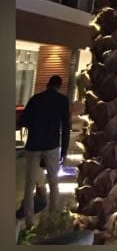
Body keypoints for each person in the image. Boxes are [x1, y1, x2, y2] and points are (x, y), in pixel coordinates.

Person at [17, 75, 71, 228]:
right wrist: (64, 150)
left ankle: (29, 221)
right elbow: (66, 126)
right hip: (52, 145)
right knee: (53, 182)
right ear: (59, 86)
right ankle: (53, 218)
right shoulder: (62, 100)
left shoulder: (36, 99)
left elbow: (23, 121)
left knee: (29, 185)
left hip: (33, 145)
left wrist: (35, 124)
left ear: (47, 84)